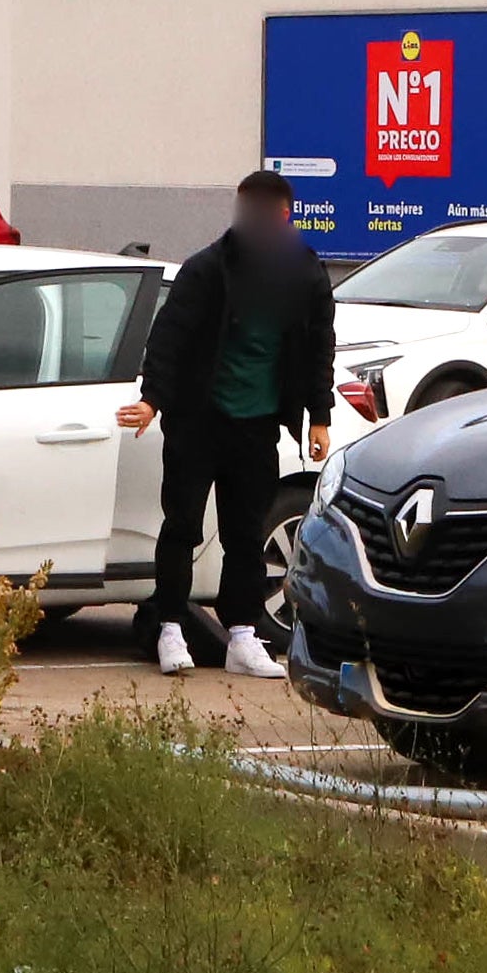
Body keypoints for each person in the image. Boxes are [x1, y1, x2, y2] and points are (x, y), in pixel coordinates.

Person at [118, 169, 335, 678]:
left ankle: (242, 635)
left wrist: (318, 418)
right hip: (197, 419)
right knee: (182, 526)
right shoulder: (208, 269)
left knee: (245, 532)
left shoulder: (303, 273)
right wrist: (153, 400)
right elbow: (168, 337)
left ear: (285, 217)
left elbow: (317, 346)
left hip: (257, 424)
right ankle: (169, 626)